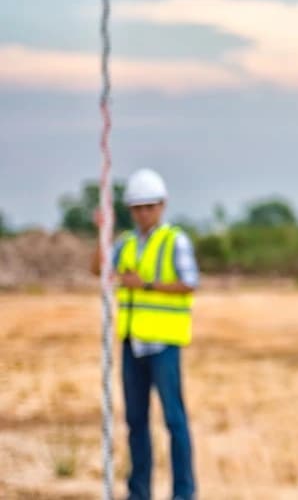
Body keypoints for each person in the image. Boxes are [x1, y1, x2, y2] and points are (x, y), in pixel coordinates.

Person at [91, 168, 198, 500]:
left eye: (149, 206)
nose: (143, 213)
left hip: (164, 345)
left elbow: (189, 283)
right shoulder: (124, 243)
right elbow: (98, 269)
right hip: (132, 344)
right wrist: (102, 233)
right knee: (135, 423)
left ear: (162, 206)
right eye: (137, 207)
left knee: (174, 422)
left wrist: (146, 284)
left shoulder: (174, 240)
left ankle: (183, 493)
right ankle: (139, 493)